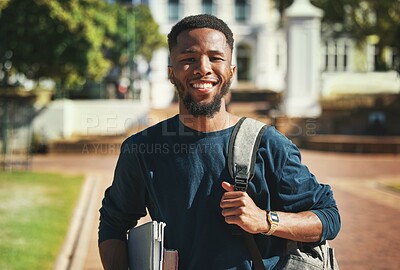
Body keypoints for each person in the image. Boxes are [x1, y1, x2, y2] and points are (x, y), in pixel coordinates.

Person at [98, 14, 341, 270]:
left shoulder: (269, 144)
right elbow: (114, 223)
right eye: (188, 59)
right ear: (171, 73)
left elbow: (328, 217)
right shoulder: (142, 150)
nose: (203, 68)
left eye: (215, 58)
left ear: (231, 71)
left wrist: (266, 220)